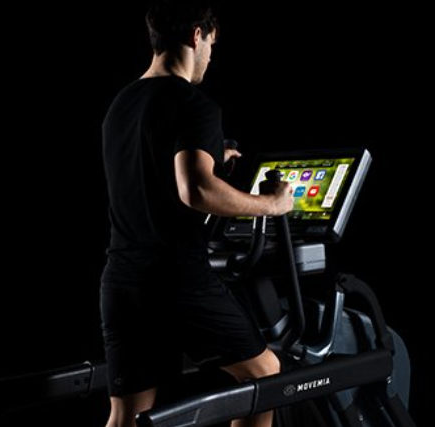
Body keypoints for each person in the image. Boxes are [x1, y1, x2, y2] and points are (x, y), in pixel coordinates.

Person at [100, 1, 294, 427]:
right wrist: (273, 204)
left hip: (123, 281)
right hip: (176, 280)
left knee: (128, 416)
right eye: (212, 45)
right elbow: (197, 190)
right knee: (265, 377)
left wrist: (209, 153)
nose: (210, 56)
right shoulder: (193, 103)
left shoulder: (123, 103)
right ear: (196, 35)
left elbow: (150, 170)